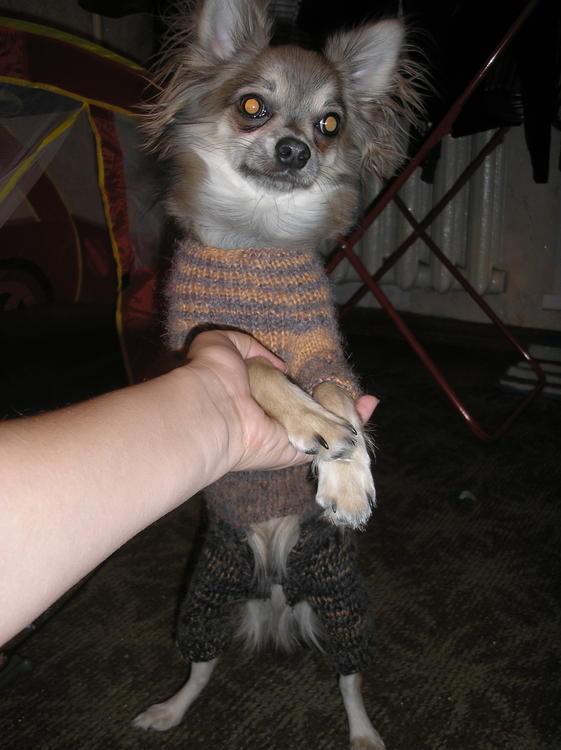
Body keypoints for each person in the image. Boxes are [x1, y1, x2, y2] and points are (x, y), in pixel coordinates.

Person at [0, 330, 377, 645]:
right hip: (233, 521)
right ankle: (195, 679)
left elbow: (325, 366)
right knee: (202, 620)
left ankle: (354, 692)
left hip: (310, 522)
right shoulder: (197, 291)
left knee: (347, 618)